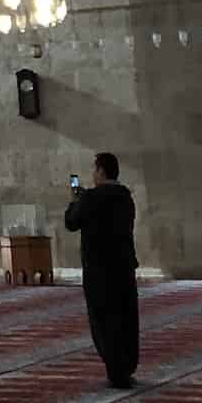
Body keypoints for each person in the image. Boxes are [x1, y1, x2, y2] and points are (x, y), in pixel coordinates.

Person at [64, 152, 140, 389]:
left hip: (100, 270)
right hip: (124, 267)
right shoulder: (125, 197)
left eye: (95, 170)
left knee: (104, 320)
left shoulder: (91, 198)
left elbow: (71, 222)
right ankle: (127, 366)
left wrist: (75, 200)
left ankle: (116, 371)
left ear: (101, 171)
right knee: (126, 317)